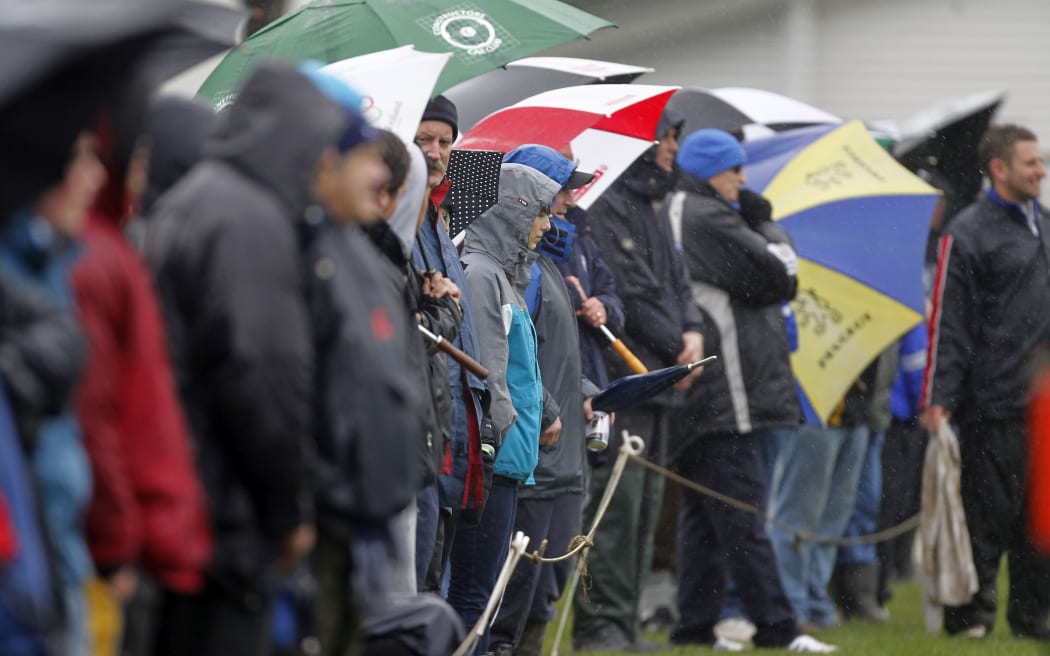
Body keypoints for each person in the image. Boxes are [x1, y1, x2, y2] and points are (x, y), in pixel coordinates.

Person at [144, 61, 346, 656]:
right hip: (224, 508)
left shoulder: (198, 198)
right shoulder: (249, 221)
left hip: (188, 495)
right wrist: (287, 511)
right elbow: (263, 376)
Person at [663, 128, 833, 653]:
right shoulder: (704, 213)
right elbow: (781, 273)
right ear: (712, 170)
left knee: (706, 518)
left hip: (707, 388)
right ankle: (778, 628)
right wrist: (764, 222)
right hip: (725, 387)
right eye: (734, 168)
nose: (742, 177)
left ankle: (694, 626)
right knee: (742, 513)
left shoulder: (684, 208)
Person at [573, 110, 704, 653]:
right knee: (617, 512)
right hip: (626, 378)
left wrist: (693, 329)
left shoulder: (655, 206)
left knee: (646, 508)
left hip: (660, 379)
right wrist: (678, 343)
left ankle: (624, 626)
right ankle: (600, 627)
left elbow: (677, 281)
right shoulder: (608, 205)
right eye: (668, 136)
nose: (674, 146)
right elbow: (634, 290)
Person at [921, 123, 1050, 640]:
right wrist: (939, 398)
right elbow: (948, 325)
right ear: (999, 169)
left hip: (1041, 406)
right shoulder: (967, 232)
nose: (1041, 170)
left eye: (1041, 161)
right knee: (985, 517)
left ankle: (1033, 617)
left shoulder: (1043, 223)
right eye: (1031, 163)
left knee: (1037, 521)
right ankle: (970, 618)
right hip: (989, 404)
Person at [488, 145, 605, 656]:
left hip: (561, 458)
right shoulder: (523, 271)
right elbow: (514, 358)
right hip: (535, 458)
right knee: (517, 594)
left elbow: (548, 351)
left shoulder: (548, 264)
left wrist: (582, 391)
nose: (568, 200)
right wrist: (552, 410)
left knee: (544, 589)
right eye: (559, 189)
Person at [0, 132, 102, 656]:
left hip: (59, 548)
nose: (96, 178)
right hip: (24, 573)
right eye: (80, 160)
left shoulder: (52, 260)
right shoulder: (17, 266)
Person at [451, 162, 558, 653]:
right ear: (514, 213)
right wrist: (498, 439)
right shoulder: (481, 276)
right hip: (490, 459)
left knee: (485, 598)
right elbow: (486, 371)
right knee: (472, 596)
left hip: (511, 460)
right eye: (541, 213)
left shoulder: (504, 276)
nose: (548, 226)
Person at [412, 96, 489, 594]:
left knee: (437, 575)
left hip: (453, 421)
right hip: (418, 425)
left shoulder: (440, 221)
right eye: (424, 140)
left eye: (444, 142)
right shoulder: (400, 226)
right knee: (416, 579)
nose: (436, 152)